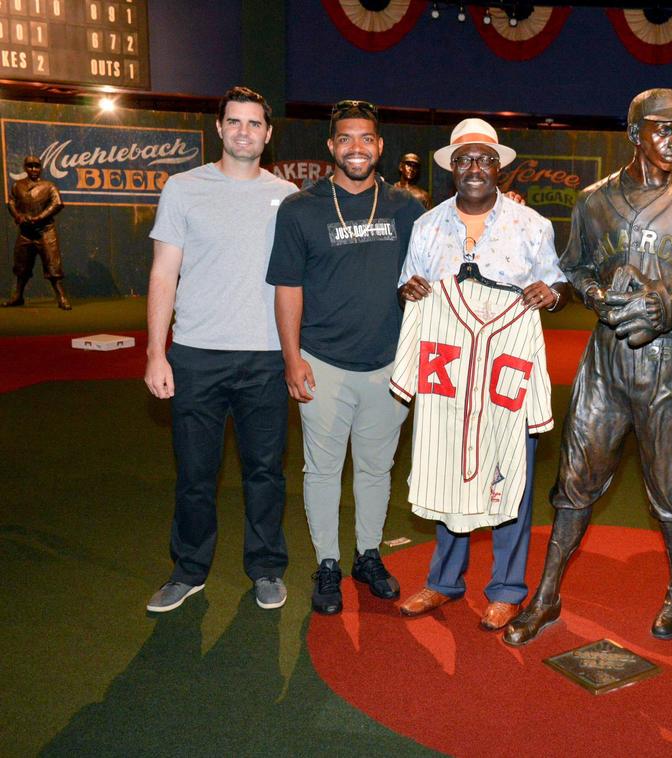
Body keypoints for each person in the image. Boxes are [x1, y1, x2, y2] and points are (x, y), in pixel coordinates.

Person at [503, 88, 672, 646]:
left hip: (662, 362)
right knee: (575, 482)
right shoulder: (593, 200)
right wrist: (596, 293)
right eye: (661, 129)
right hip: (604, 362)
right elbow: (573, 269)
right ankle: (548, 593)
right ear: (635, 134)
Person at [392, 118, 571, 631]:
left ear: (500, 170)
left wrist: (551, 295)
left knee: (509, 477)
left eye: (485, 160)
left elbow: (557, 284)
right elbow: (407, 286)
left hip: (504, 371)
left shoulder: (532, 225)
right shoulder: (428, 226)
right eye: (465, 159)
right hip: (449, 375)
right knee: (448, 467)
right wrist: (411, 294)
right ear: (452, 168)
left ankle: (507, 589)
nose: (475, 168)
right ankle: (444, 582)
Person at [266, 99, 424, 615]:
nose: (356, 147)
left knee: (378, 469)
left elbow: (433, 277)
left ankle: (368, 554)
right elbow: (288, 288)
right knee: (323, 470)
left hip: (389, 362)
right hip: (323, 359)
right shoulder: (301, 208)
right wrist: (292, 359)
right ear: (331, 146)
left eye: (367, 139)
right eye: (346, 139)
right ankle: (328, 562)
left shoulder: (406, 207)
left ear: (379, 146)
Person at [143, 86, 297, 613]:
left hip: (265, 358)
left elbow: (297, 282)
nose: (244, 131)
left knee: (264, 473)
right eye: (235, 122)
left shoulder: (288, 196)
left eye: (254, 123)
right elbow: (164, 272)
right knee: (194, 476)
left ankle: (267, 568)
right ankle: (188, 571)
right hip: (195, 354)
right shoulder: (183, 188)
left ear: (268, 134)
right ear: (219, 128)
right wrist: (155, 353)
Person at [4, 155, 70, 309]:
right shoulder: (17, 186)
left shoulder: (49, 186)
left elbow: (57, 203)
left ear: (41, 168)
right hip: (25, 232)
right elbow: (12, 202)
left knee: (53, 265)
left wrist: (39, 217)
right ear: (25, 168)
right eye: (30, 166)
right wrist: (18, 216)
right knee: (21, 266)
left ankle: (61, 297)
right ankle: (18, 296)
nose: (34, 169)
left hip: (45, 231)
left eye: (36, 166)